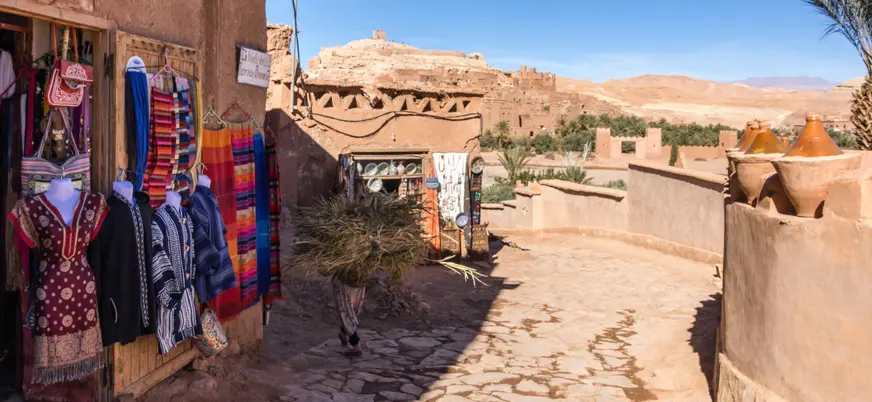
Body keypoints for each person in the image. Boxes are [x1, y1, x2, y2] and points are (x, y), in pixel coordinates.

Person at [333, 280, 366, 357]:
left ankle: (356, 345)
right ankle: (344, 333)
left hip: (344, 283)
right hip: (359, 282)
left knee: (346, 312)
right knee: (352, 309)